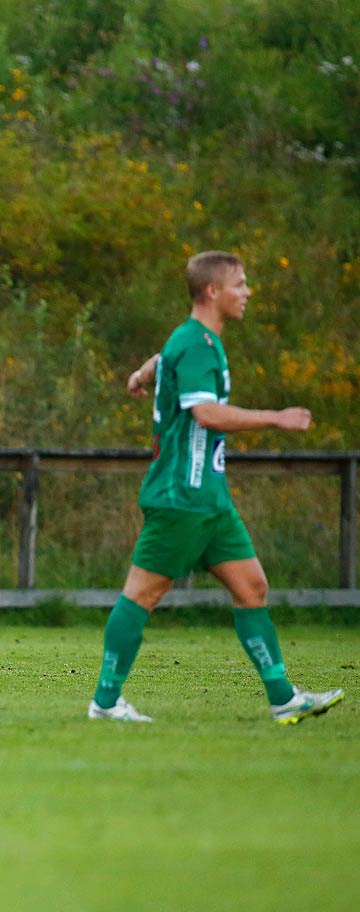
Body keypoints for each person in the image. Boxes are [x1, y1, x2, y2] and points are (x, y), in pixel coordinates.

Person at [91, 251, 343, 724]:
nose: (247, 292)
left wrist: (141, 376)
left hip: (210, 499)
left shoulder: (192, 341)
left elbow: (161, 360)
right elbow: (205, 412)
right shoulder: (198, 344)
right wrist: (276, 417)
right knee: (141, 595)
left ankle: (283, 697)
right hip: (182, 497)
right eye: (240, 284)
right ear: (213, 292)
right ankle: (105, 703)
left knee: (252, 587)